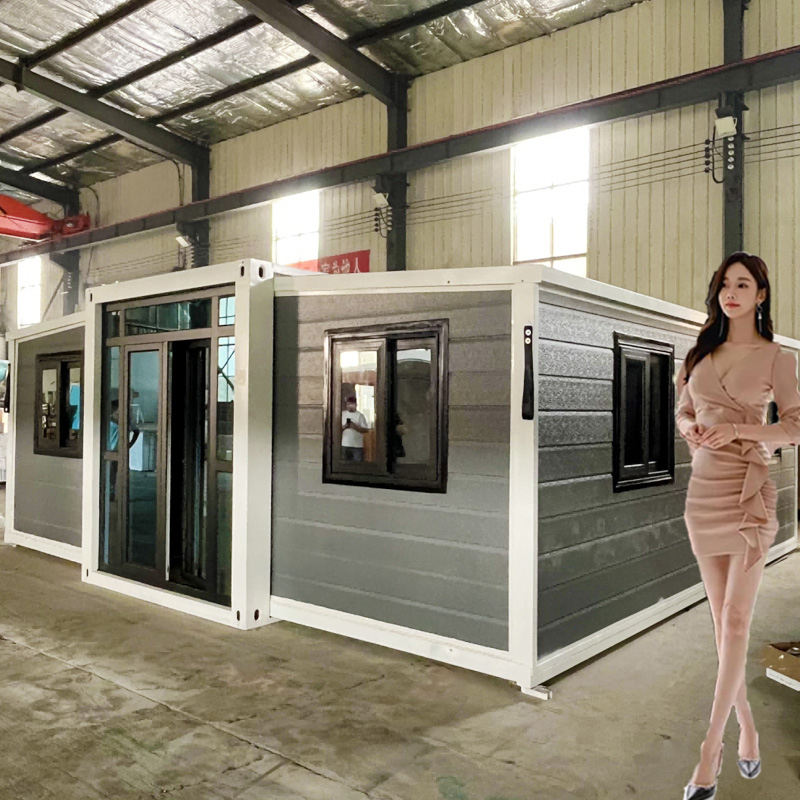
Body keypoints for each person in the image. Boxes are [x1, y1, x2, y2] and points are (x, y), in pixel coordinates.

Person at [675, 252, 800, 799]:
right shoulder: (700, 353)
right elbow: (683, 410)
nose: (731, 292)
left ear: (760, 295)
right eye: (725, 284)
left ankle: (711, 749)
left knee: (736, 620)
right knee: (722, 627)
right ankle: (747, 728)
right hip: (703, 492)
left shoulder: (776, 357)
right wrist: (690, 430)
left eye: (743, 284)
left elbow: (795, 428)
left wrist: (741, 432)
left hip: (750, 495)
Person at [341, 394, 369, 462]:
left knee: (358, 465)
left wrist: (356, 427)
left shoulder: (360, 415)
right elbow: (336, 429)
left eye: (352, 404)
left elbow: (366, 430)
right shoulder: (342, 414)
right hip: (345, 444)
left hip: (357, 446)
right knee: (344, 465)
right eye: (348, 404)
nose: (350, 406)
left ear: (356, 405)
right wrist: (345, 426)